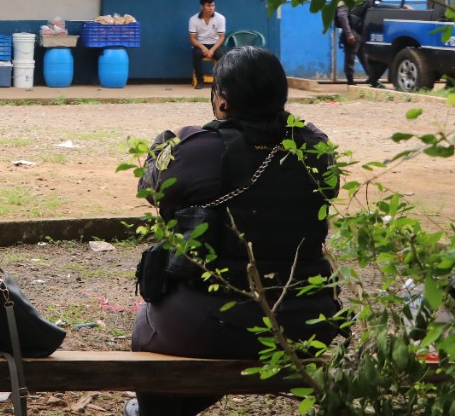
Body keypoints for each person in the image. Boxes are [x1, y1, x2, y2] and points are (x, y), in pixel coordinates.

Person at [128, 46, 342, 416]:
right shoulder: (313, 149)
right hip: (309, 323)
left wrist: (165, 143)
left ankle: (158, 412)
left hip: (213, 323)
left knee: (146, 327)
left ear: (222, 102)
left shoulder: (198, 149)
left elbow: (150, 188)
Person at [188, 0, 226, 88]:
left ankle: (221, 82)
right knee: (196, 54)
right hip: (201, 44)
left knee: (222, 56)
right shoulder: (193, 19)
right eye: (208, 6)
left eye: (213, 5)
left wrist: (212, 50)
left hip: (215, 44)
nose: (211, 8)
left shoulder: (220, 18)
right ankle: (200, 81)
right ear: (202, 6)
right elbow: (192, 39)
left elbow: (221, 37)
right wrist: (203, 48)